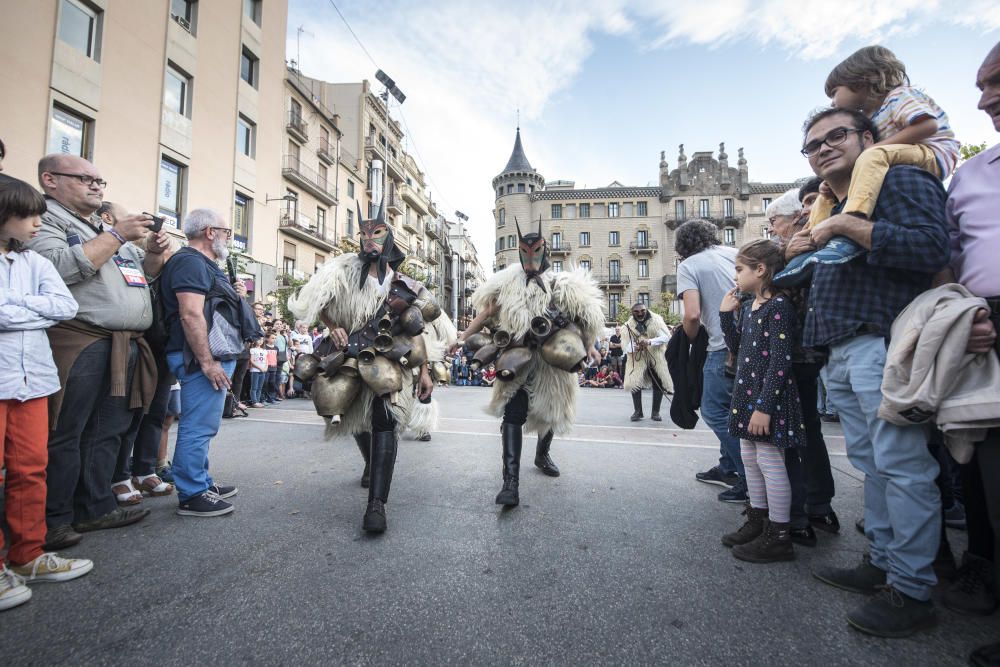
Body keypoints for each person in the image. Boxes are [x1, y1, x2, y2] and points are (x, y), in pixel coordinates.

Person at [799, 107, 950, 638]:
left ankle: (911, 589)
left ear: (869, 137)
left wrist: (849, 226)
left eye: (835, 136)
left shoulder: (901, 178)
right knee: (873, 463)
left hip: (882, 337)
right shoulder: (834, 204)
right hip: (843, 347)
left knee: (902, 467)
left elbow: (933, 247)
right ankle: (882, 562)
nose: (823, 149)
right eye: (813, 145)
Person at [29, 154, 167, 549]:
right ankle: (54, 518)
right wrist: (118, 235)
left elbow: (140, 275)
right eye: (85, 178)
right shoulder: (45, 218)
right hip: (80, 339)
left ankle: (95, 507)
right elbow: (55, 268)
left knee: (108, 430)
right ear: (50, 180)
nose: (97, 186)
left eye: (100, 181)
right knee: (66, 432)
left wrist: (153, 254)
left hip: (122, 344)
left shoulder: (99, 227)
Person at [288, 201, 438, 533]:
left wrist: (425, 371)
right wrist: (331, 326)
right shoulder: (342, 272)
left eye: (377, 232)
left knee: (385, 420)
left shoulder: (405, 284)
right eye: (364, 233)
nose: (369, 239)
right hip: (352, 355)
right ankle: (371, 462)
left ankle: (376, 504)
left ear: (389, 237)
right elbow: (319, 302)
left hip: (392, 359)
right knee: (356, 417)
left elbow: (419, 331)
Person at [457, 217, 604, 505]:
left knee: (551, 414)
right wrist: (462, 337)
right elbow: (487, 312)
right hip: (517, 359)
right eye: (525, 251)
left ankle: (542, 453)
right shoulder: (508, 284)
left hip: (553, 363)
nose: (530, 258)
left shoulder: (562, 285)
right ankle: (510, 483)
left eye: (535, 250)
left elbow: (583, 319)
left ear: (544, 250)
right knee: (513, 415)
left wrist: (590, 346)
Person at [0, 176, 92, 611]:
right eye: (28, 214)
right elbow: (47, 309)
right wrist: (33, 310)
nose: (37, 223)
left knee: (30, 469)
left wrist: (12, 310)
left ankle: (27, 556)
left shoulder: (33, 263)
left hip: (33, 381)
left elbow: (65, 307)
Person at [938, 41, 1000, 663]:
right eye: (982, 86)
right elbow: (950, 253)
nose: (985, 99)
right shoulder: (974, 174)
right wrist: (959, 314)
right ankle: (981, 563)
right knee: (981, 459)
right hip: (984, 320)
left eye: (997, 83)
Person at [160, 209, 258, 517]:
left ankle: (200, 482)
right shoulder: (190, 261)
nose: (229, 237)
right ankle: (191, 493)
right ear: (209, 231)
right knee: (197, 425)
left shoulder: (203, 264)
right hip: (200, 358)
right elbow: (190, 314)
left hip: (211, 356)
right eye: (226, 231)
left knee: (203, 425)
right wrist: (206, 361)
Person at [806, 45, 960, 231]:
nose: (832, 102)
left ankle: (853, 217)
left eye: (834, 92)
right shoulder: (871, 116)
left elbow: (927, 126)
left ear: (861, 80)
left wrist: (874, 149)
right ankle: (813, 234)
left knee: (871, 156)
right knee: (824, 190)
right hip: (901, 157)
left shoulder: (899, 95)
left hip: (933, 152)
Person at [719, 239, 803, 563]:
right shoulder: (752, 306)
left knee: (770, 462)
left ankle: (779, 534)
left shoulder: (778, 307)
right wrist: (727, 316)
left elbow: (780, 362)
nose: (736, 276)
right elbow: (738, 347)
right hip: (748, 394)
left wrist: (764, 407)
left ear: (760, 269)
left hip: (766, 400)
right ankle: (757, 521)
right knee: (750, 459)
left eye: (740, 269)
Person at [764, 189, 840, 546]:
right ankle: (818, 506)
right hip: (810, 347)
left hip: (798, 350)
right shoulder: (808, 236)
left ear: (795, 217)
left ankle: (799, 512)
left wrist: (781, 254)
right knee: (808, 426)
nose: (772, 227)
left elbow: (770, 281)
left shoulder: (804, 239)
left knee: (796, 431)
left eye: (775, 220)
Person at [98, 202, 176, 505]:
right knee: (124, 416)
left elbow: (148, 273)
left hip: (158, 345)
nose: (145, 227)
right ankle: (118, 475)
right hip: (130, 342)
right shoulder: (108, 246)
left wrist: (158, 253)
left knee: (155, 413)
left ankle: (144, 470)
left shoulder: (136, 254)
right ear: (108, 219)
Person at [676, 220, 746, 503]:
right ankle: (727, 466)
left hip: (721, 345)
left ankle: (748, 477)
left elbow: (692, 315)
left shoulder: (689, 265)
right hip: (749, 342)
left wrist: (689, 339)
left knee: (714, 410)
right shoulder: (735, 253)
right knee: (736, 409)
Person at [622, 302, 673, 421]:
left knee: (659, 382)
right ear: (632, 312)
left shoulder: (656, 320)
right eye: (636, 312)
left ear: (646, 310)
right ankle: (638, 411)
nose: (640, 313)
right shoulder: (627, 326)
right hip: (637, 358)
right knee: (634, 382)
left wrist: (649, 342)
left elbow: (666, 337)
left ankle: (656, 412)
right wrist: (635, 347)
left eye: (642, 311)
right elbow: (626, 346)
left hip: (655, 355)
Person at [248, 337, 267, 407]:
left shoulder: (264, 350)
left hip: (263, 371)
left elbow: (266, 360)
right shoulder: (253, 350)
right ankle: (254, 401)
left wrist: (265, 368)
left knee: (260, 387)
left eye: (262, 339)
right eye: (259, 339)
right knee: (254, 387)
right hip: (255, 371)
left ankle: (258, 401)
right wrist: (259, 368)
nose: (260, 341)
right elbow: (252, 361)